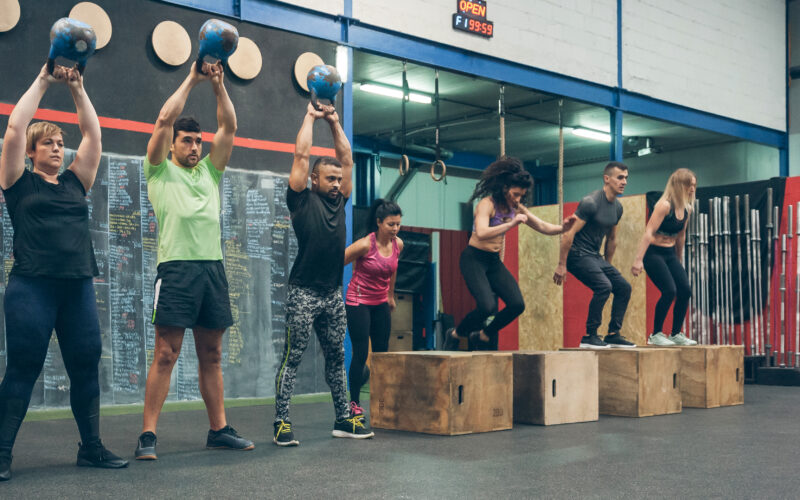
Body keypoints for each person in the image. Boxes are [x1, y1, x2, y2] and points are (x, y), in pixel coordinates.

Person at [0, 64, 128, 480]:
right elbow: (15, 130)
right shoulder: (18, 182)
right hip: (31, 287)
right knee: (23, 367)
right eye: (48, 144)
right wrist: (42, 81)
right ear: (33, 153)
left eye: (60, 143)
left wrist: (77, 87)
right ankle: (1, 453)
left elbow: (94, 136)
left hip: (76, 289)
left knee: (85, 365)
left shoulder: (76, 182)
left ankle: (90, 448)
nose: (58, 149)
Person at [135, 61, 253, 460]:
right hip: (177, 269)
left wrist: (219, 86)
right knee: (166, 354)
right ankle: (148, 434)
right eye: (186, 141)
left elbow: (230, 128)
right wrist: (193, 77)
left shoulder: (209, 172)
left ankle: (218, 429)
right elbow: (164, 118)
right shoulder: (158, 172)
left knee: (212, 355)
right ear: (172, 144)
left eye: (197, 141)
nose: (194, 147)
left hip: (212, 270)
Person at [273, 102, 373, 447]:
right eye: (330, 179)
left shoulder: (340, 202)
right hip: (304, 292)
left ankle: (343, 418)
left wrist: (334, 121)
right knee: (293, 357)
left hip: (332, 293)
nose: (336, 184)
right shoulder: (300, 199)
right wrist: (311, 117)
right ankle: (282, 421)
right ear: (313, 180)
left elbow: (347, 159)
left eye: (339, 181)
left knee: (336, 357)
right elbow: (301, 157)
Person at [443, 157, 576, 351]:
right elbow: (481, 232)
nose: (517, 199)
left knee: (517, 304)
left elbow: (542, 226)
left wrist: (563, 228)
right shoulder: (487, 205)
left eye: (521, 195)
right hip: (474, 259)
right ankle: (455, 334)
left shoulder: (516, 208)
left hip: (493, 262)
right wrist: (511, 223)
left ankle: (483, 335)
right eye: (515, 194)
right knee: (487, 307)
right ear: (504, 188)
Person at [553, 161, 634, 349]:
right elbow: (568, 233)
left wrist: (608, 266)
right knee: (604, 286)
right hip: (577, 254)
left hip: (594, 256)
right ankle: (590, 336)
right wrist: (561, 264)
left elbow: (612, 239)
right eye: (620, 177)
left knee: (623, 287)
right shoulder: (590, 202)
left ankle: (613, 334)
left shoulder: (617, 208)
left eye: (626, 178)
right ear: (607, 179)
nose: (624, 182)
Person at [344, 199, 404, 419]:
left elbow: (393, 269)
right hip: (358, 302)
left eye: (398, 224)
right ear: (379, 223)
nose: (395, 229)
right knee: (361, 353)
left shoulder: (398, 244)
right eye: (391, 224)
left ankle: (381, 402)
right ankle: (354, 404)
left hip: (380, 303)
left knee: (381, 354)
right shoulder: (364, 245)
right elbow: (339, 261)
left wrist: (390, 295)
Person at [632, 168, 698, 346]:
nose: (692, 189)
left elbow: (681, 235)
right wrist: (638, 260)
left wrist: (679, 258)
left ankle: (676, 333)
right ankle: (655, 335)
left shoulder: (687, 208)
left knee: (685, 290)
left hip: (670, 254)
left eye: (693, 185)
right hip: (653, 253)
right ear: (679, 185)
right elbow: (648, 232)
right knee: (669, 291)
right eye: (688, 185)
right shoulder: (664, 206)